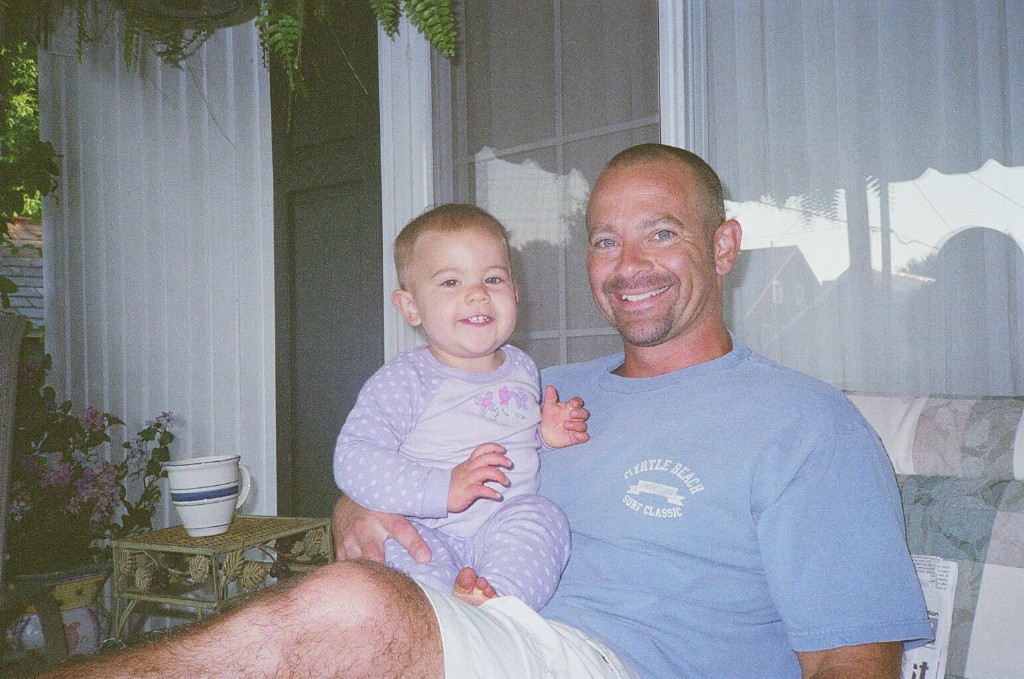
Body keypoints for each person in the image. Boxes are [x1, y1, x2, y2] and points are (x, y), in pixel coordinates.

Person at [43, 143, 932, 679]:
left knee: (352, 612)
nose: (629, 265)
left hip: (612, 662)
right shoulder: (531, 387)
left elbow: (851, 657)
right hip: (489, 633)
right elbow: (394, 466)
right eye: (605, 240)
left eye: (662, 232)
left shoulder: (805, 425)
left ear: (724, 245)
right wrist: (357, 507)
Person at [333, 203, 587, 609]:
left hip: (504, 525)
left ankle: (496, 605)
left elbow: (510, 437)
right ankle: (439, 616)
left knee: (544, 518)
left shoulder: (522, 368)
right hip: (426, 529)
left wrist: (543, 433)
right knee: (399, 565)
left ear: (515, 295)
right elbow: (353, 458)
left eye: (493, 278)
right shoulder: (407, 379)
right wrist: (441, 488)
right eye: (451, 281)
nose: (477, 293)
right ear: (411, 307)